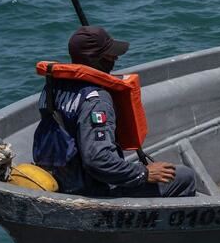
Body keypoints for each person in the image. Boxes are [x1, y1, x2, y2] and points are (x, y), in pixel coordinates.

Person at [32, 26, 196, 197]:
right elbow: (97, 160)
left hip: (62, 179)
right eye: (110, 55)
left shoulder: (52, 88)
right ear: (95, 58)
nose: (116, 58)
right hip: (93, 190)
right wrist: (144, 173)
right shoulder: (96, 100)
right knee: (184, 177)